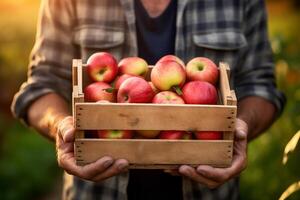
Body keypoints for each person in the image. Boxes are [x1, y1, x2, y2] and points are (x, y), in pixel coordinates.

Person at [12, 0, 285, 199]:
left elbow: (260, 86)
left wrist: (240, 127)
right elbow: (41, 85)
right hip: (98, 192)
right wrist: (62, 125)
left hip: (209, 191)